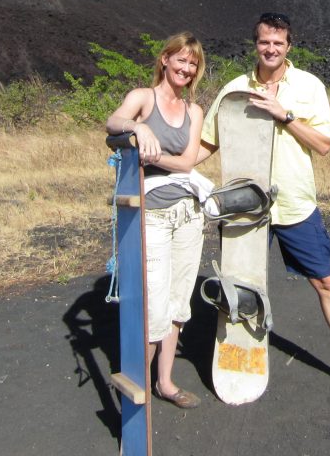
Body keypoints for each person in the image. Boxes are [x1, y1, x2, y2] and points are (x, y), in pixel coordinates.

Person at [198, 12, 330, 403]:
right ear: (256, 44)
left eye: (278, 43)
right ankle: (237, 361)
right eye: (264, 42)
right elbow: (207, 145)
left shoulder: (308, 86)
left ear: (289, 47)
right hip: (246, 211)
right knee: (239, 287)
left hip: (295, 205)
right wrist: (158, 163)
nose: (271, 49)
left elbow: (323, 144)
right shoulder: (234, 90)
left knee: (325, 282)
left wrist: (282, 114)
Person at [106, 31, 208, 409]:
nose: (186, 67)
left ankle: (165, 382)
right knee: (153, 305)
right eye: (180, 59)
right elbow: (112, 121)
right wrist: (138, 128)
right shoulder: (142, 98)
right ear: (164, 59)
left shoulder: (194, 111)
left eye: (193, 63)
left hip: (187, 215)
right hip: (153, 216)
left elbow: (186, 161)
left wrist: (151, 157)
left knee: (179, 301)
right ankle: (136, 392)